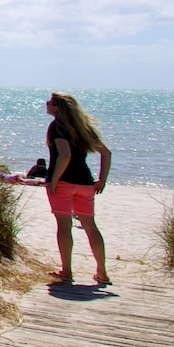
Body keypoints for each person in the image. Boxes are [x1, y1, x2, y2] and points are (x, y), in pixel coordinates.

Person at [44, 91, 112, 285]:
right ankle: (102, 272)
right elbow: (106, 153)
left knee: (64, 226)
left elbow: (64, 155)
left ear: (58, 107)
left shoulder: (57, 127)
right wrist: (102, 180)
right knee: (90, 226)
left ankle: (66, 271)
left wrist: (55, 179)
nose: (46, 104)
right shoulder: (83, 127)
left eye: (50, 102)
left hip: (64, 183)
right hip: (85, 182)